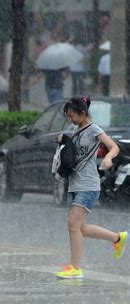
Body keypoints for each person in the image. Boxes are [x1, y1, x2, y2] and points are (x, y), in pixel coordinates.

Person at [55, 96, 127, 279]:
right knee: (81, 228)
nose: (70, 119)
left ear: (83, 113)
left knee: (73, 225)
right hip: (75, 184)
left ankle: (75, 267)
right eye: (68, 116)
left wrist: (108, 158)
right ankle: (117, 238)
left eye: (72, 116)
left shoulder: (93, 129)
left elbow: (114, 147)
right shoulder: (77, 131)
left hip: (88, 184)